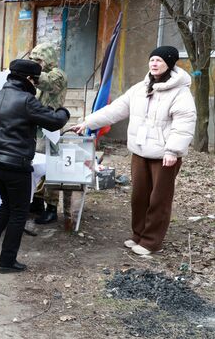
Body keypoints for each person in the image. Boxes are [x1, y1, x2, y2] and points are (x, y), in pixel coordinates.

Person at [71, 46, 196, 256]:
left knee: (159, 199)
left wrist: (173, 151)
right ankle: (138, 234)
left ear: (170, 63)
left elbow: (184, 124)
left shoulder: (180, 92)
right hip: (140, 151)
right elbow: (115, 109)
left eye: (159, 60)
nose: (154, 64)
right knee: (139, 196)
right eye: (152, 59)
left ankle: (151, 241)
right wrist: (88, 122)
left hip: (164, 156)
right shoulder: (140, 88)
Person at [0, 59, 70, 274]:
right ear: (28, 79)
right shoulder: (26, 100)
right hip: (16, 164)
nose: (36, 85)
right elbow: (54, 121)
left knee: (6, 206)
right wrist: (63, 111)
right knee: (19, 212)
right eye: (35, 80)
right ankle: (7, 261)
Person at [27, 42, 71, 225]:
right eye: (32, 60)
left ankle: (51, 207)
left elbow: (47, 83)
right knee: (36, 168)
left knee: (51, 169)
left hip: (51, 128)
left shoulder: (57, 75)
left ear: (48, 59)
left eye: (38, 60)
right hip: (36, 128)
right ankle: (36, 202)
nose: (36, 63)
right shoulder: (37, 75)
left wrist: (30, 74)